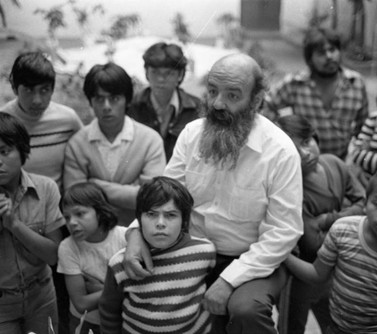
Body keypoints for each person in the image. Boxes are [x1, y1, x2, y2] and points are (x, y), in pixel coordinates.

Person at [123, 53, 304, 334]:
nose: (218, 103)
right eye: (212, 91)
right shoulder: (192, 134)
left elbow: (283, 232)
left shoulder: (279, 152)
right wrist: (135, 234)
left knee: (246, 311)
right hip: (189, 251)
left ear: (255, 101)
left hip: (253, 259)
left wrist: (229, 280)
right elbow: (162, 195)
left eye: (233, 95)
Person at [284, 168, 377, 334]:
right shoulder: (342, 231)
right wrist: (283, 255)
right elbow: (317, 274)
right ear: (366, 204)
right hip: (336, 328)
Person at [0, 112, 64, 334]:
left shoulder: (45, 189)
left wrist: (15, 225)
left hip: (42, 296)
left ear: (22, 152)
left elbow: (55, 256)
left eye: (4, 151)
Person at [276, 114, 366, 334]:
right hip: (299, 274)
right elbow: (312, 243)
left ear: (315, 137)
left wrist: (326, 219)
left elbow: (364, 204)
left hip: (333, 270)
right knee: (292, 326)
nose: (305, 154)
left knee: (334, 322)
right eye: (294, 150)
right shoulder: (290, 188)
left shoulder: (334, 163)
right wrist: (351, 219)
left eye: (307, 142)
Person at [99, 176, 216, 334]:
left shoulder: (204, 252)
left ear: (184, 221)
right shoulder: (120, 264)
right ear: (139, 218)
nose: (160, 223)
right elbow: (109, 314)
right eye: (151, 214)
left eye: (170, 215)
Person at [64, 62, 166, 226]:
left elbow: (153, 198)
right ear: (90, 101)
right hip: (93, 237)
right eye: (99, 99)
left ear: (127, 100)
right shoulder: (77, 144)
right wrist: (131, 191)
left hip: (139, 233)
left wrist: (94, 185)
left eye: (114, 98)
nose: (106, 106)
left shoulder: (150, 140)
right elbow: (75, 200)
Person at [0, 51, 83, 192]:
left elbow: (83, 161)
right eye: (28, 90)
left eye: (44, 90)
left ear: (52, 89)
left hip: (56, 208)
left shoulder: (68, 121)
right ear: (14, 88)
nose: (37, 100)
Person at [269, 27, 368, 160]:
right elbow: (267, 106)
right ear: (310, 59)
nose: (329, 56)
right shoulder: (295, 83)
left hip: (341, 162)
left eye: (332, 50)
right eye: (321, 53)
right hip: (305, 162)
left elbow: (364, 127)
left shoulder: (356, 82)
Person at [57, 182, 127, 334]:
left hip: (122, 319)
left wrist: (103, 289)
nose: (72, 222)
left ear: (100, 211)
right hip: (87, 322)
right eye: (67, 217)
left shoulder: (124, 237)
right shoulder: (67, 247)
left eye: (80, 214)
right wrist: (122, 288)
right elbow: (81, 303)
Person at [127, 42, 201, 161]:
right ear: (146, 73)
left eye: (168, 73)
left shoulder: (197, 108)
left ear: (180, 75)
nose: (160, 79)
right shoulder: (132, 106)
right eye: (155, 72)